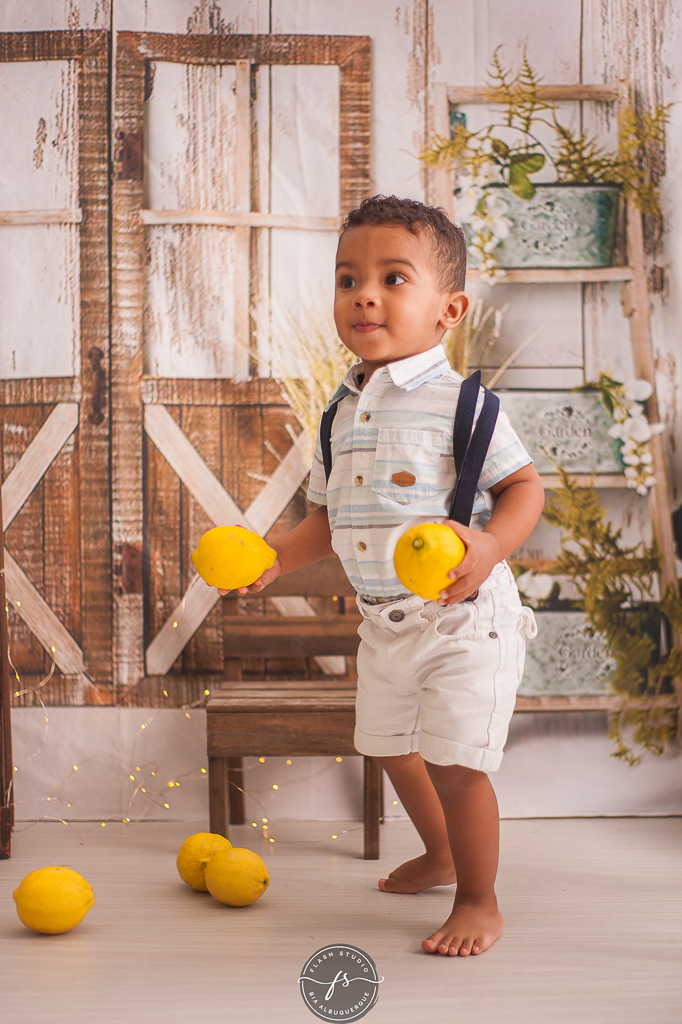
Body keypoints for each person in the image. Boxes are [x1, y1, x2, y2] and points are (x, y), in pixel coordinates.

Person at [218, 195, 545, 957]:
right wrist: (272, 559)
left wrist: (490, 547)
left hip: (464, 618)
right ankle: (439, 854)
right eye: (348, 279)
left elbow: (525, 489)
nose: (365, 294)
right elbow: (327, 519)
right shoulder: (340, 412)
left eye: (394, 278)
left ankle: (479, 898)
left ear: (448, 309)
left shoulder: (465, 403)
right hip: (384, 623)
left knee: (455, 762)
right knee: (393, 746)